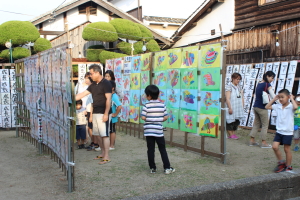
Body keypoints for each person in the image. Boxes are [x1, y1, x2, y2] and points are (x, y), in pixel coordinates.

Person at [76, 64, 112, 165]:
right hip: (95, 111)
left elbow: (108, 99)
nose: (90, 76)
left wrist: (106, 114)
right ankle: (102, 153)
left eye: (91, 73)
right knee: (98, 134)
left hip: (103, 112)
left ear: (97, 72)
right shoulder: (93, 85)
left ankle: (107, 156)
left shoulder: (106, 83)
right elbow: (82, 94)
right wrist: (70, 98)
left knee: (104, 135)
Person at [141, 85, 175, 175]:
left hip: (149, 131)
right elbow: (166, 117)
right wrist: (158, 119)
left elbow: (143, 117)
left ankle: (152, 168)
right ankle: (167, 167)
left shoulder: (146, 106)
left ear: (149, 95)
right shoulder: (162, 105)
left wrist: (149, 118)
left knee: (151, 150)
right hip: (158, 131)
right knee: (162, 149)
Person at [265, 89, 297, 172]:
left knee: (287, 149)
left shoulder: (291, 106)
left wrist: (292, 99)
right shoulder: (278, 106)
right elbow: (267, 107)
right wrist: (274, 99)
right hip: (279, 132)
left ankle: (288, 166)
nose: (281, 99)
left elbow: (296, 107)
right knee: (274, 147)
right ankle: (281, 162)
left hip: (288, 132)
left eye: (282, 97)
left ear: (288, 97)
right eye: (279, 97)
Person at [249, 71, 276, 148]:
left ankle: (252, 140)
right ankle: (263, 142)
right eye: (272, 78)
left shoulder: (259, 83)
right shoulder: (267, 84)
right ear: (267, 76)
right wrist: (279, 102)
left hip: (256, 106)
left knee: (257, 124)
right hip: (262, 107)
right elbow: (273, 95)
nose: (272, 80)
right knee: (265, 125)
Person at [225, 73, 244, 139]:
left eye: (239, 79)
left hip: (238, 107)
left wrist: (242, 105)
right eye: (237, 79)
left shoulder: (239, 87)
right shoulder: (229, 86)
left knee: (236, 121)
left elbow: (241, 97)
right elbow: (227, 98)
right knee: (230, 120)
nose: (238, 81)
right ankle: (230, 134)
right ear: (233, 78)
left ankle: (233, 133)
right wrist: (230, 107)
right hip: (231, 105)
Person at [109, 80, 122, 150]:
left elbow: (119, 106)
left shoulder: (114, 96)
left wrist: (115, 114)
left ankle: (112, 145)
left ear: (112, 88)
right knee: (110, 131)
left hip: (112, 117)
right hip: (109, 117)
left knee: (112, 131)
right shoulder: (110, 95)